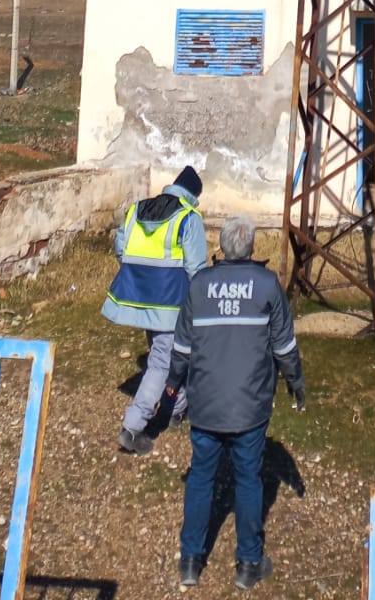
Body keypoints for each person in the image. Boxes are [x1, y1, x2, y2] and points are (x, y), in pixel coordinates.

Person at [168, 214, 306, 590]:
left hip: (206, 403)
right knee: (248, 479)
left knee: (200, 477)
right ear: (252, 248)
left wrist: (171, 387)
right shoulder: (266, 285)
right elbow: (284, 345)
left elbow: (181, 348)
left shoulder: (199, 286)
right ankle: (248, 564)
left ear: (221, 247)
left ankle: (191, 562)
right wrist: (295, 381)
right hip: (250, 406)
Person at [101, 165, 207, 455]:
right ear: (194, 194)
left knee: (166, 354)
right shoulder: (188, 216)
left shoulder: (138, 209)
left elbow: (121, 249)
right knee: (162, 361)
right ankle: (133, 427)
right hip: (172, 303)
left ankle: (175, 409)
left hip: (139, 298)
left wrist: (142, 276)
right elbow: (196, 268)